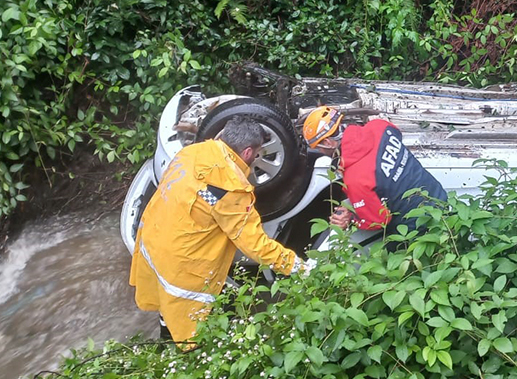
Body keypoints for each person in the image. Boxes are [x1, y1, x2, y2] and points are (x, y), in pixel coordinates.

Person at [129, 116, 312, 343]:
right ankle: (186, 353)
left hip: (154, 239)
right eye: (257, 154)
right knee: (191, 327)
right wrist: (297, 266)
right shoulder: (230, 189)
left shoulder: (192, 152)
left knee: (168, 309)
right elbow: (256, 245)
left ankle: (165, 342)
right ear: (247, 152)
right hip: (182, 266)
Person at [302, 106, 447, 248]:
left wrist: (350, 218)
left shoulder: (355, 179)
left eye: (318, 147)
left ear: (327, 142)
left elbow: (378, 221)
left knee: (392, 257)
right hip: (438, 195)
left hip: (417, 222)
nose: (320, 151)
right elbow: (396, 133)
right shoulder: (379, 126)